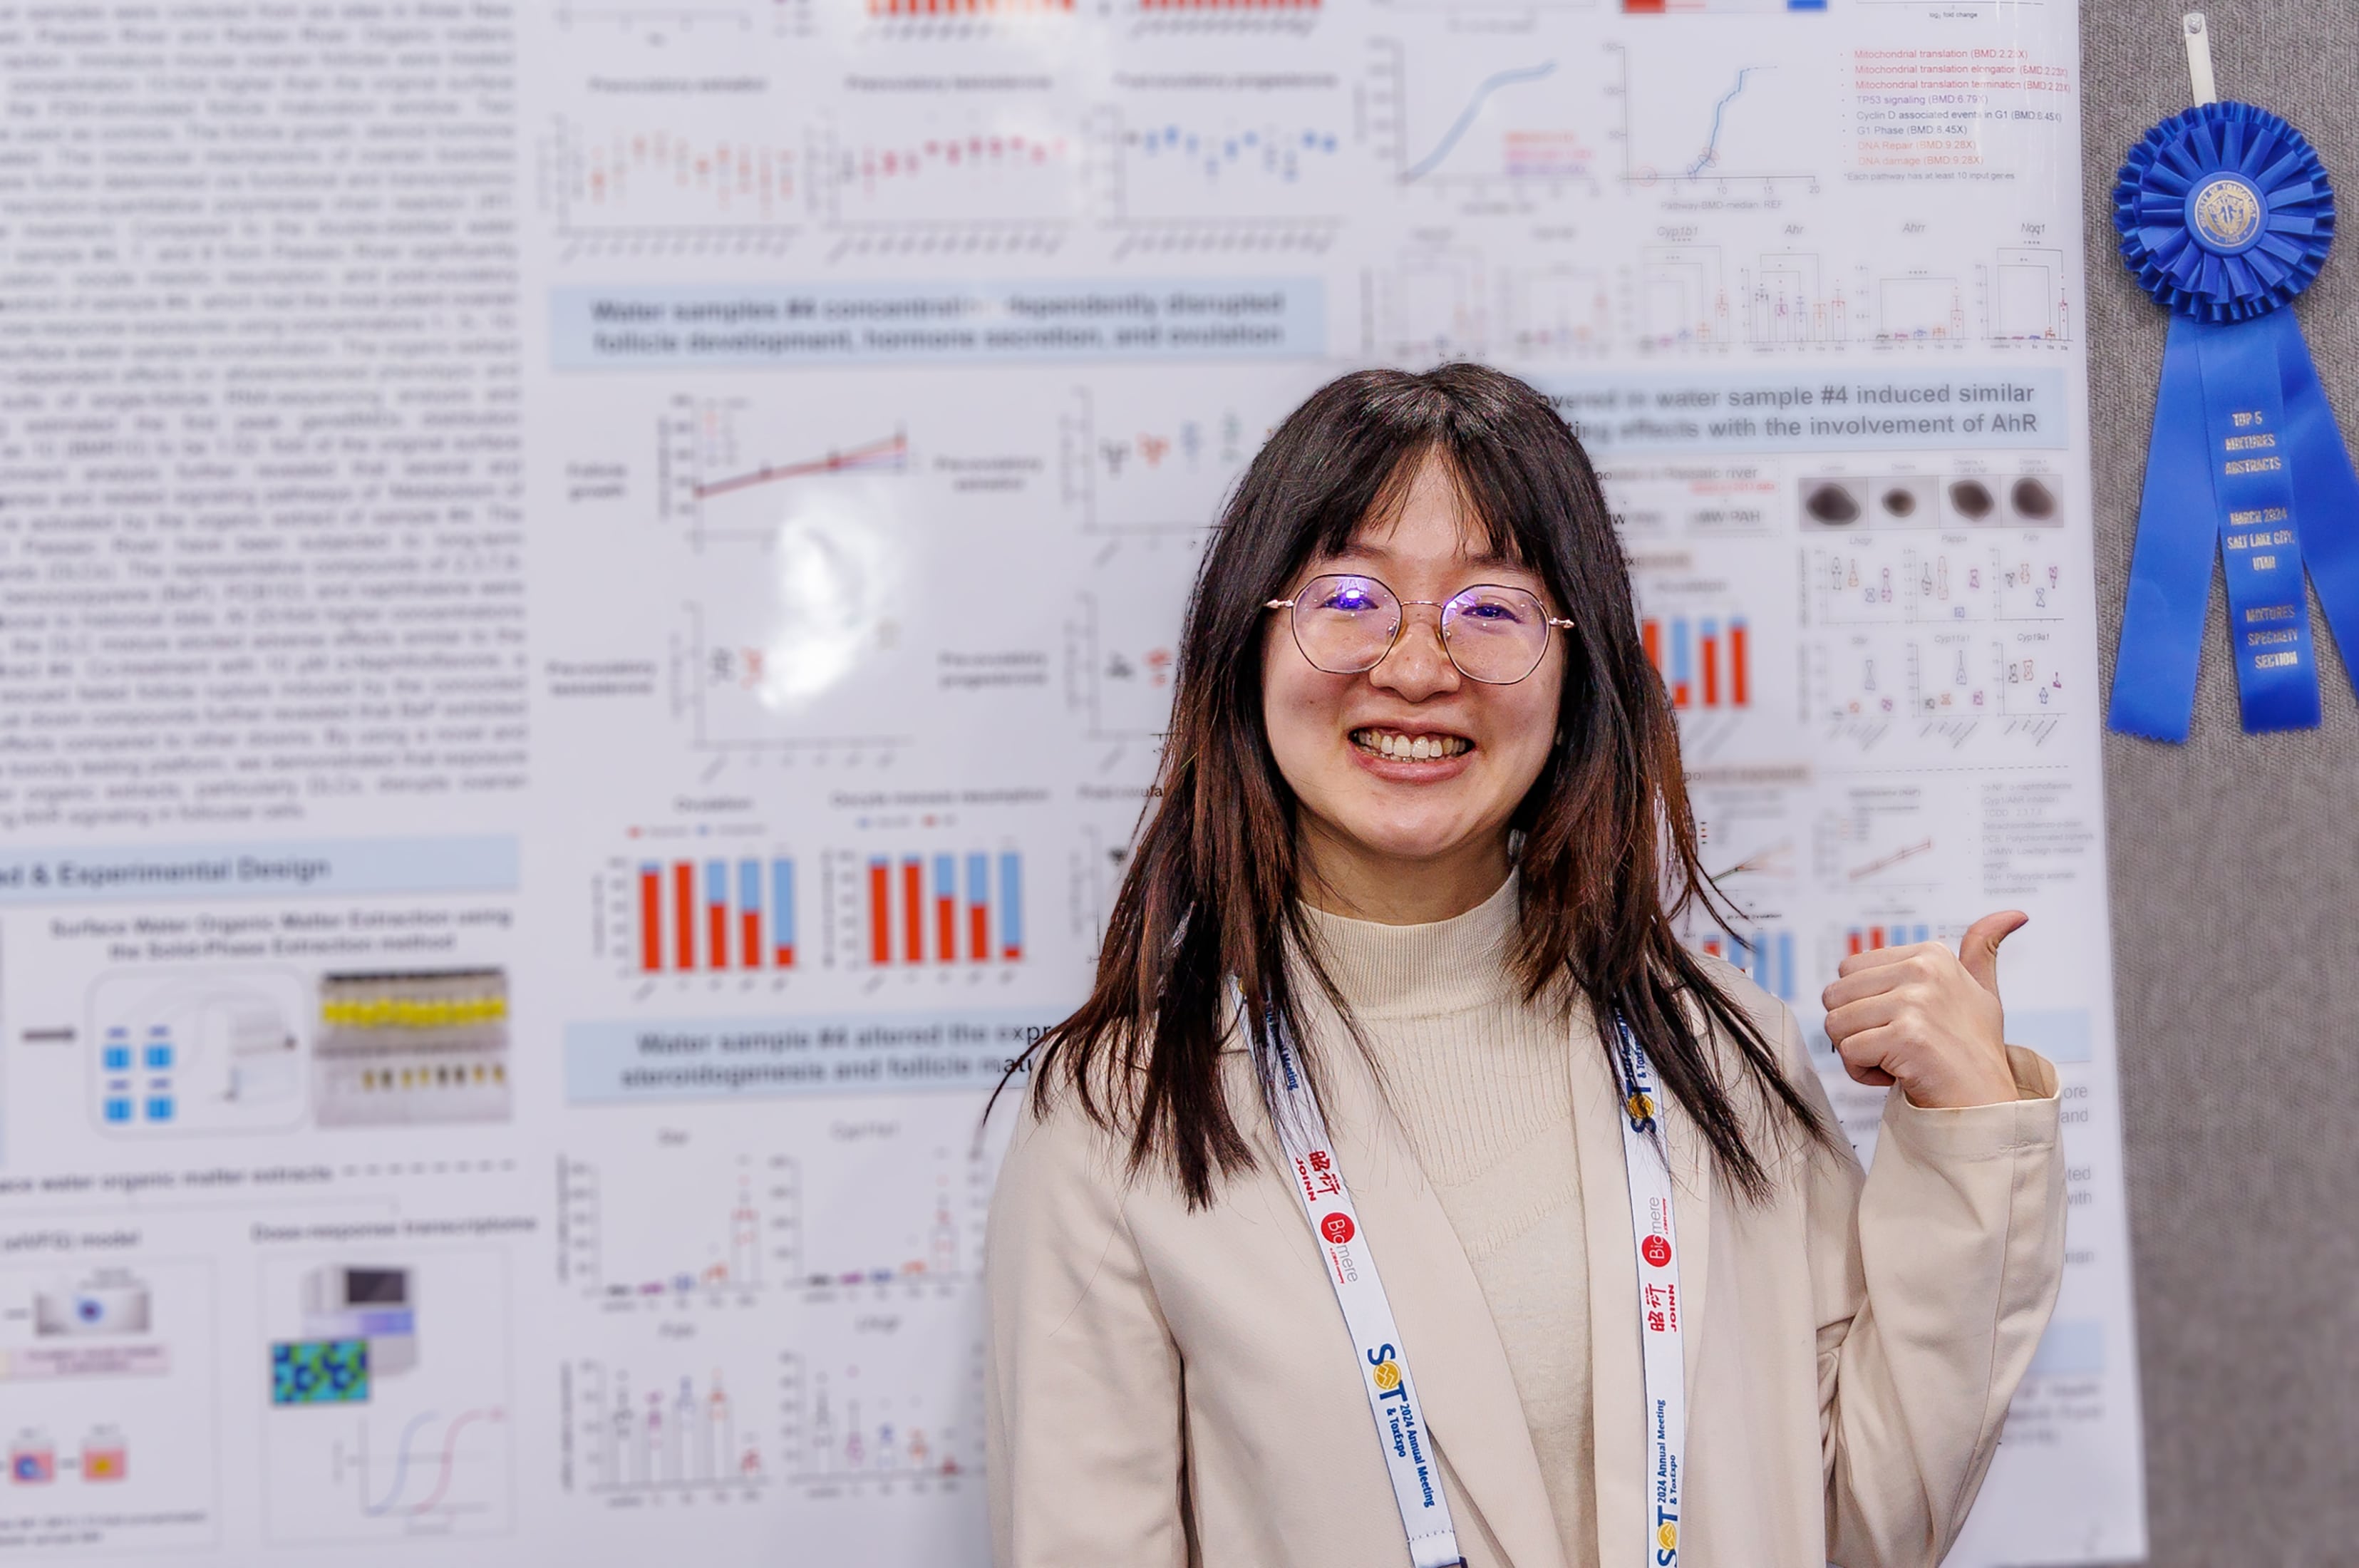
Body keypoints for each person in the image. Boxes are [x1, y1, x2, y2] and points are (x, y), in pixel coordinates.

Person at [984, 363, 2064, 1568]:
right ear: (1249, 641)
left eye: (1489, 609)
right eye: (1349, 597)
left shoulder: (1717, 1054)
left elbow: (1859, 1528)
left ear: (1574, 667)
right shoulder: (1118, 1117)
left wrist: (1967, 1133)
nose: (1415, 668)